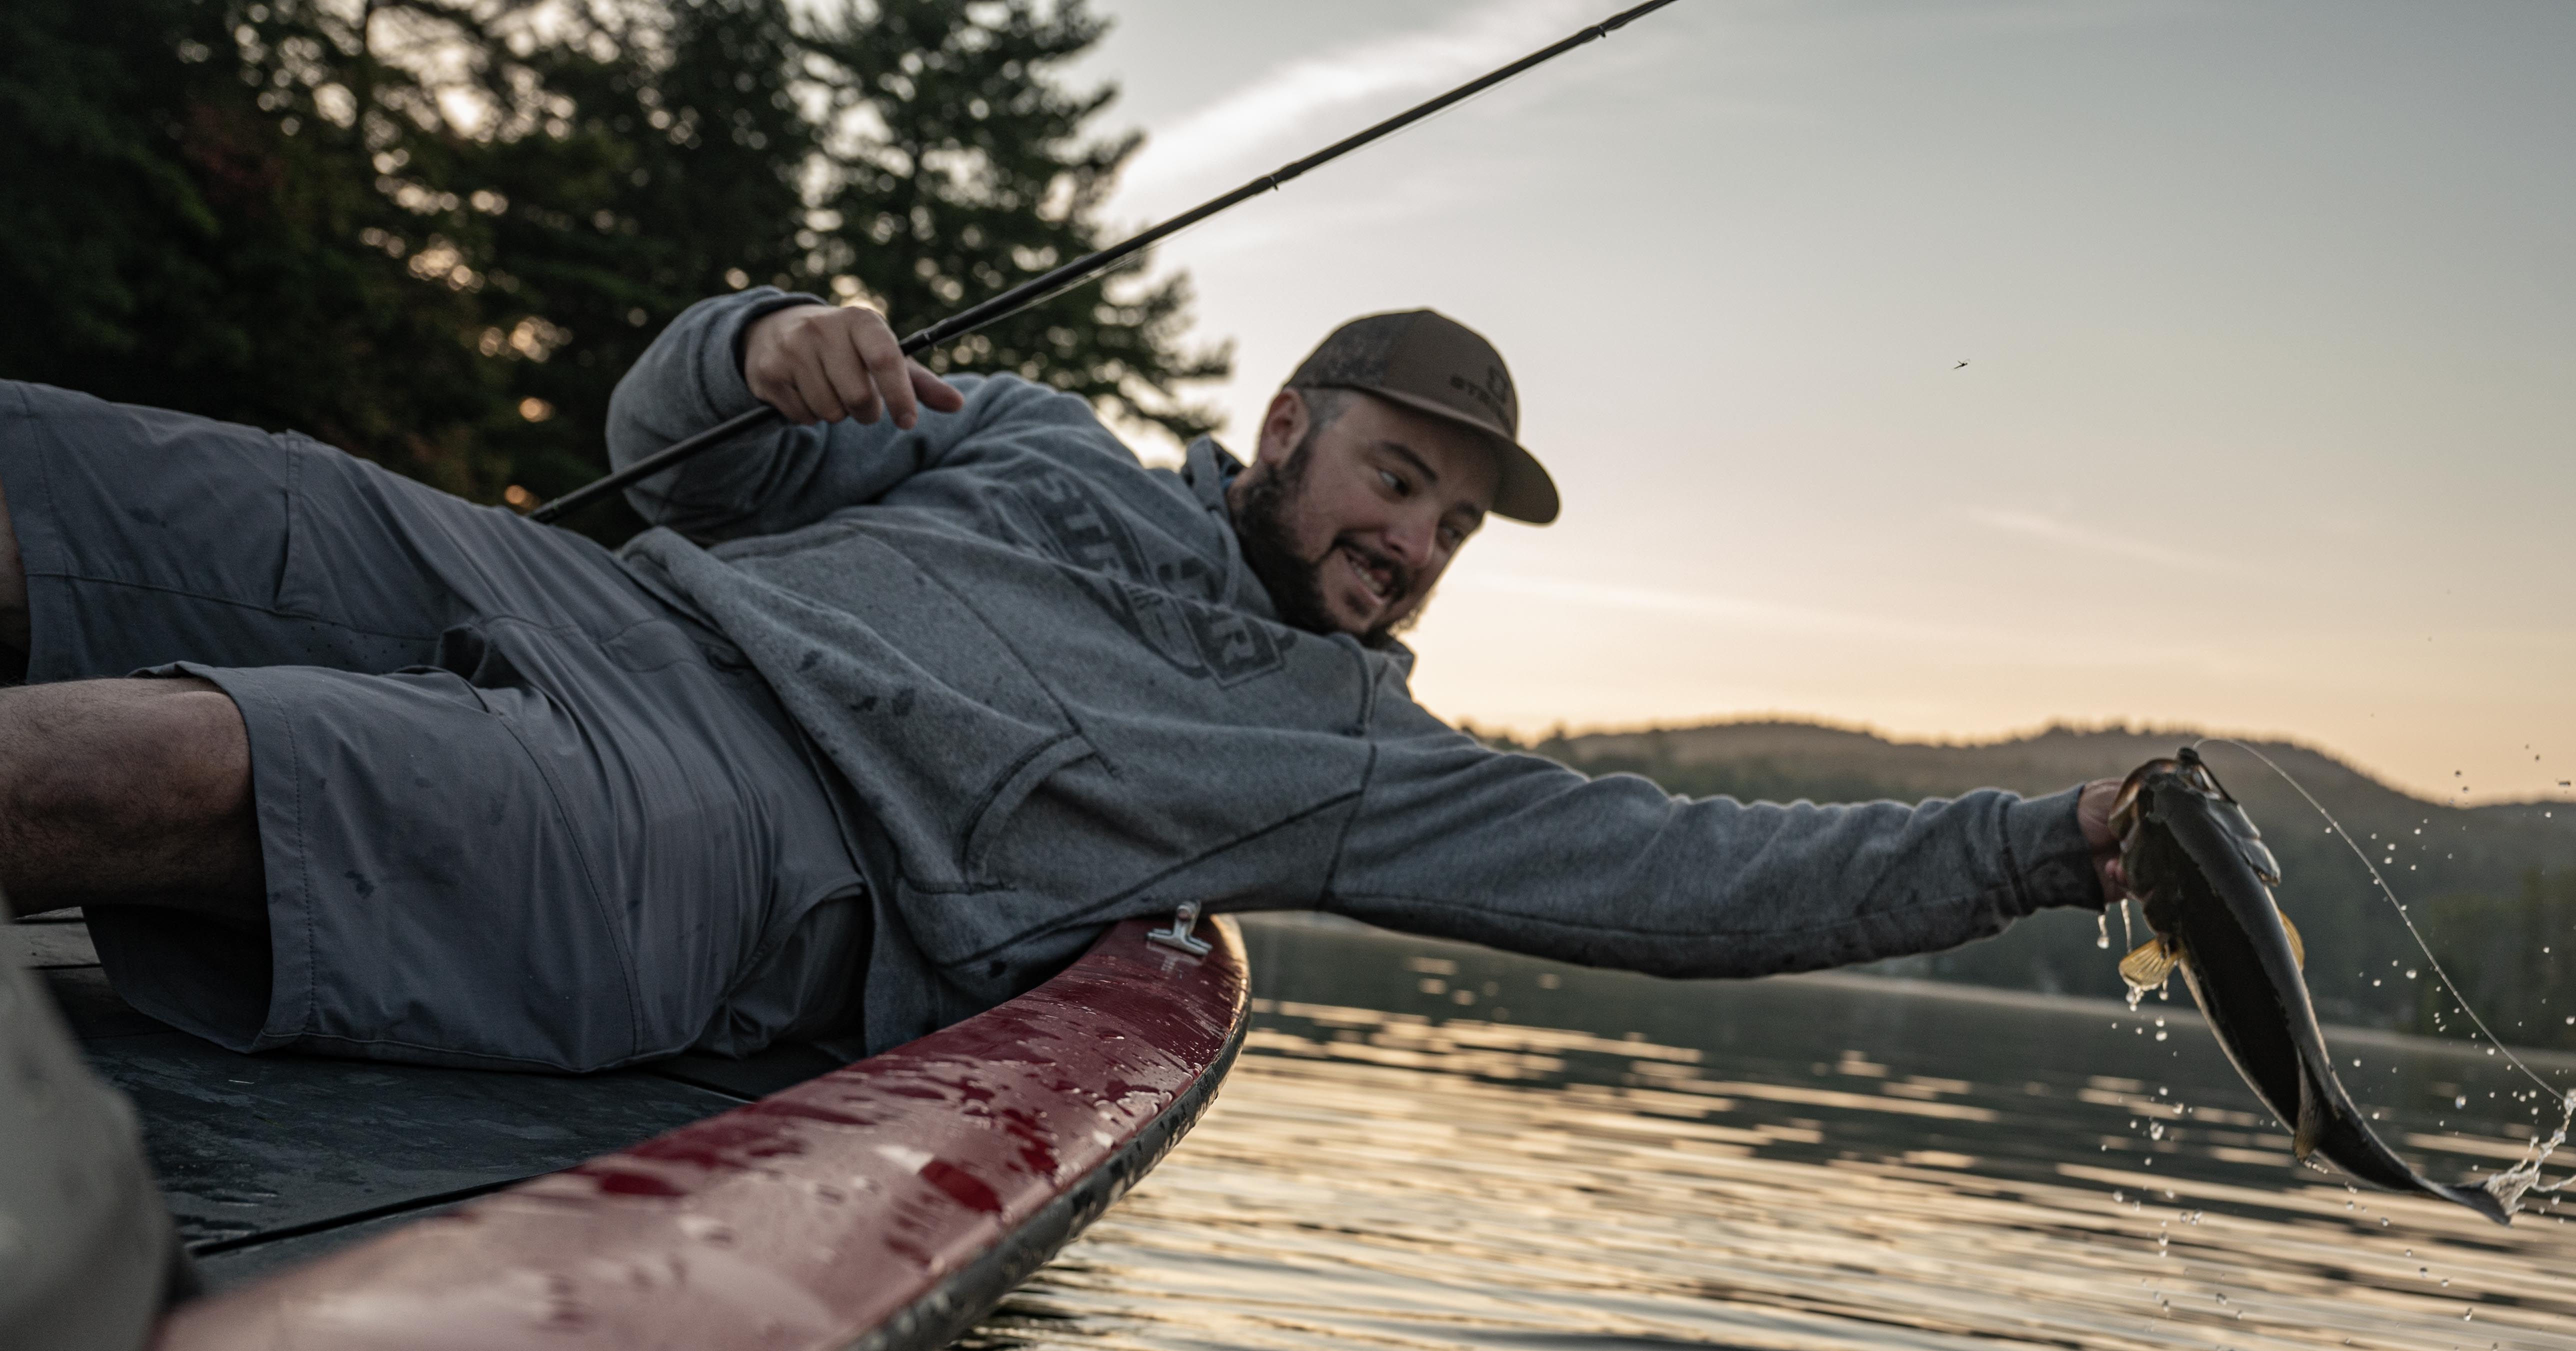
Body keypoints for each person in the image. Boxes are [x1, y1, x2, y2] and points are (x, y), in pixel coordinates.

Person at [0, 290, 2128, 1072]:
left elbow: (1696, 881)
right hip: (598, 594)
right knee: (110, 476)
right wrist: (759, 342)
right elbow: (691, 444)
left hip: (752, 847)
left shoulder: (1347, 761)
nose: (1414, 546)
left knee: (217, 764)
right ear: (1289, 422)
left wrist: (2050, 844)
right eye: (1401, 479)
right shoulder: (1029, 432)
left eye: (1455, 530)